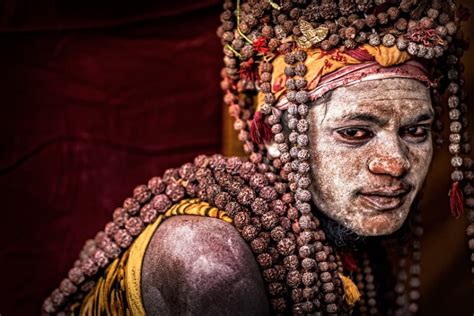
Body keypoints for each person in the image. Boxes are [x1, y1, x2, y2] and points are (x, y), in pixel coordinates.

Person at [43, 0, 473, 315]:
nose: (395, 162)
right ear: (271, 134)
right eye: (355, 133)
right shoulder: (206, 259)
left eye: (415, 131)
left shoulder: (348, 244)